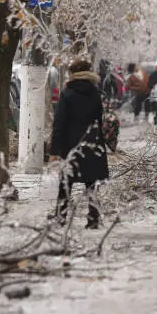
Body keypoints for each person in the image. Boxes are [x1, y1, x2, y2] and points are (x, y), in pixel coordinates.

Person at [48, 58, 109, 229]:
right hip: (93, 142)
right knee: (92, 182)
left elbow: (59, 124)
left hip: (71, 144)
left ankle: (61, 216)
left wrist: (54, 151)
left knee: (66, 181)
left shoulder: (67, 94)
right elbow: (99, 119)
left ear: (72, 74)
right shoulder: (96, 94)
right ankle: (93, 218)